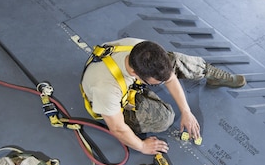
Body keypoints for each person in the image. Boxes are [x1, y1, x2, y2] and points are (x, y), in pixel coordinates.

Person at [80, 37, 246, 155]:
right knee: (164, 118)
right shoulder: (106, 89)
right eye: (156, 83)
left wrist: (186, 111)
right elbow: (117, 128)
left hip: (130, 79)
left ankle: (209, 73)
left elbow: (170, 77)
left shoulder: (141, 48)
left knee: (174, 60)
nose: (163, 82)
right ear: (134, 73)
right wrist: (141, 146)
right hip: (115, 98)